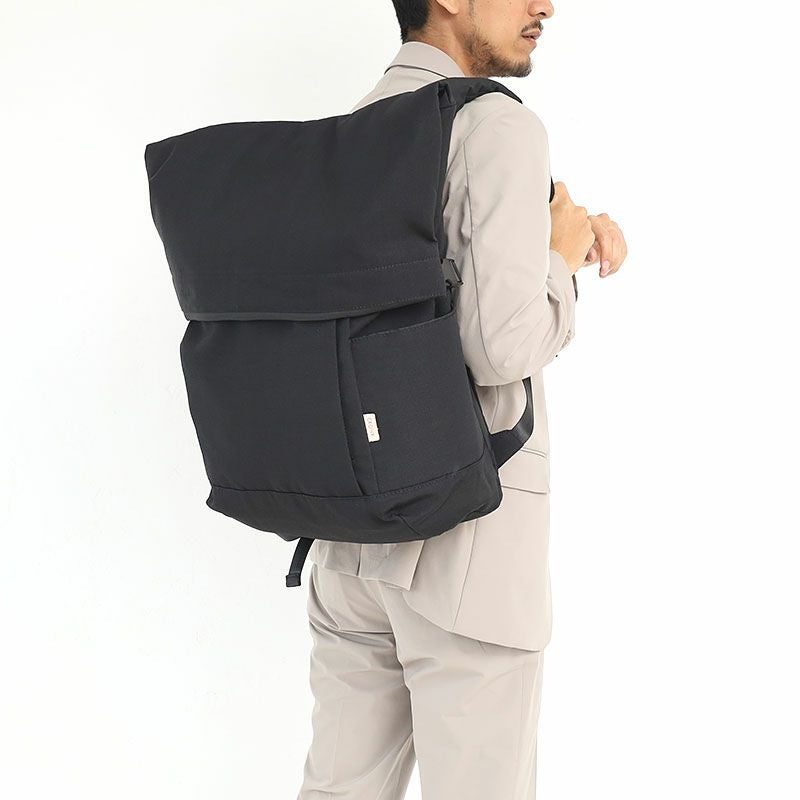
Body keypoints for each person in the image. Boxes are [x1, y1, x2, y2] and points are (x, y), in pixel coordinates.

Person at [297, 2, 627, 798]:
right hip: (466, 546)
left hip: (350, 540)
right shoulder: (498, 126)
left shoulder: (352, 128)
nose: (545, 4)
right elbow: (501, 345)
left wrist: (558, 242)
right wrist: (559, 258)